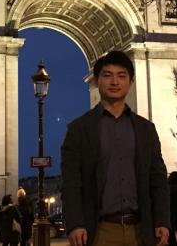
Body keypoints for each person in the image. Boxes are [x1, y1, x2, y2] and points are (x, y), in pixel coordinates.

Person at [61, 50, 170, 246]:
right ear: (96, 81)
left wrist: (162, 220)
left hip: (141, 232)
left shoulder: (146, 129)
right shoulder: (78, 130)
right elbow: (71, 182)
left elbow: (158, 180)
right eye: (107, 75)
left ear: (131, 82)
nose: (114, 82)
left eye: (121, 76)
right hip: (99, 233)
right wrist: (75, 224)